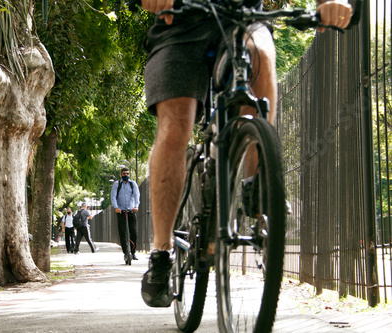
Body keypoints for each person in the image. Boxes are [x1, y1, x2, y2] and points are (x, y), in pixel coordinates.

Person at [137, 0, 353, 308]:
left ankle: (257, 189)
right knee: (174, 126)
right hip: (180, 24)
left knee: (261, 56)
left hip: (245, 17)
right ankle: (162, 251)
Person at [110, 167, 141, 263]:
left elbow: (137, 196)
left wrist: (136, 206)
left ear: (129, 174)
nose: (125, 175)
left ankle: (133, 252)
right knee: (122, 232)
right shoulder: (117, 184)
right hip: (121, 211)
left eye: (127, 173)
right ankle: (125, 253)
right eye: (124, 174)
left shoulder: (133, 184)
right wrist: (116, 207)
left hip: (131, 210)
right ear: (121, 175)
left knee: (134, 232)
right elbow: (113, 196)